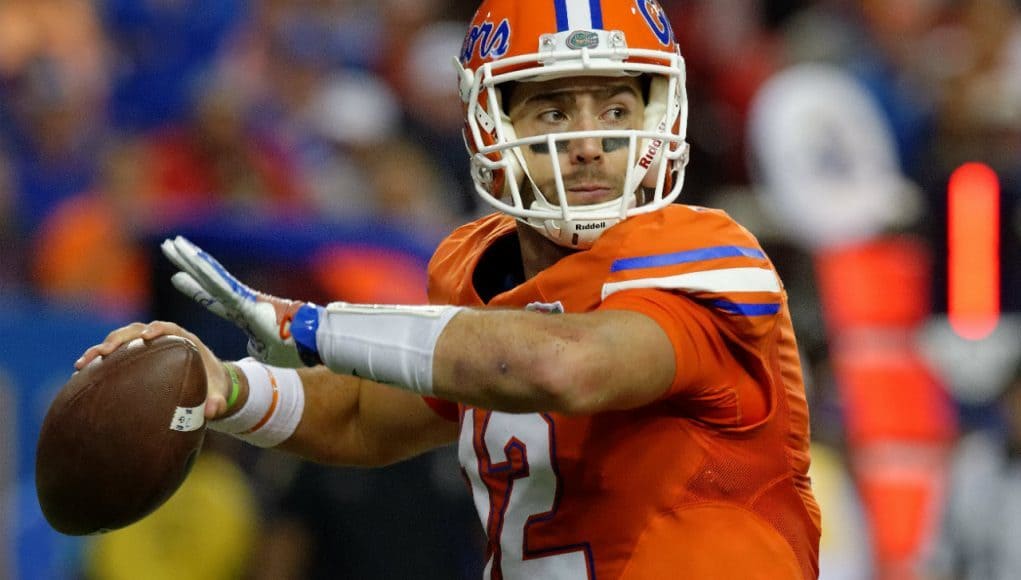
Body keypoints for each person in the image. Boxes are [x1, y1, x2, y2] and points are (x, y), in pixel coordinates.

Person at [77, 1, 821, 578]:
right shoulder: (477, 273)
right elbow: (365, 416)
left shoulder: (704, 253)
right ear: (488, 123)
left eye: (617, 109)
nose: (590, 140)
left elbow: (561, 364)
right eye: (555, 110)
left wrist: (307, 325)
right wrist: (225, 387)